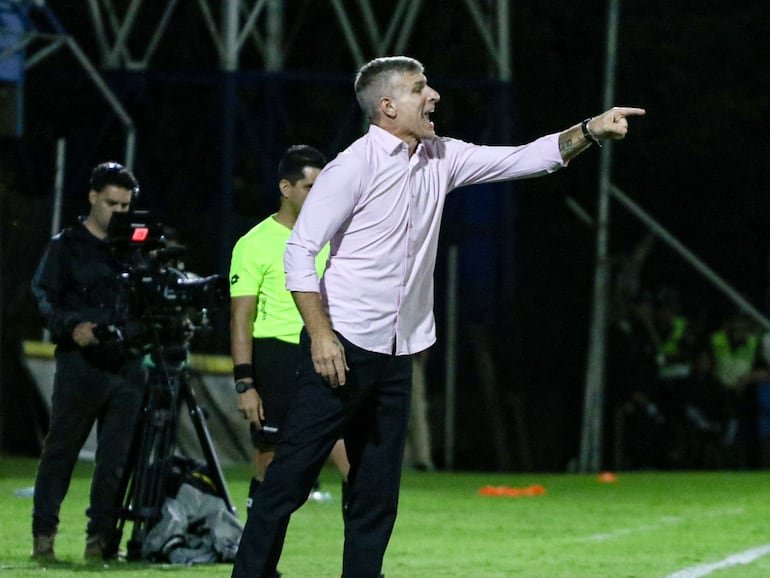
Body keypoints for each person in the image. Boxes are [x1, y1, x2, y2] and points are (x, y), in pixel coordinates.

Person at [231, 55, 645, 578]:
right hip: (342, 350)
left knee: (376, 493)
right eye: (419, 88)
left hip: (398, 352)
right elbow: (300, 252)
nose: (434, 96)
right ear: (387, 106)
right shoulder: (351, 167)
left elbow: (525, 158)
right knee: (287, 482)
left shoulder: (441, 157)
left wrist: (591, 129)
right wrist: (320, 336)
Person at [30, 162, 147, 562]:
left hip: (127, 364)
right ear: (93, 197)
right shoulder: (65, 246)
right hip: (81, 365)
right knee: (61, 452)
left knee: (115, 461)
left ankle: (100, 541)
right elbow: (44, 296)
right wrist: (71, 326)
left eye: (125, 204)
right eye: (111, 202)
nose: (118, 211)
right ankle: (43, 536)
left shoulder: (134, 248)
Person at [228, 145, 349, 512]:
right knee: (269, 467)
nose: (320, 196)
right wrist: (246, 384)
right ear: (286, 188)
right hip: (275, 358)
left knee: (353, 461)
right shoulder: (253, 244)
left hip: (325, 354)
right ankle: (258, 564)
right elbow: (240, 319)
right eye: (311, 187)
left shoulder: (337, 237)